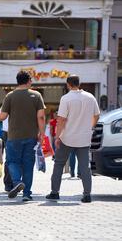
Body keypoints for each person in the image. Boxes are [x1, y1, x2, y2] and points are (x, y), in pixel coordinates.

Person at [46, 75, 100, 203]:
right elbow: (97, 115)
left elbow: (61, 120)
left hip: (67, 137)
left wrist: (57, 136)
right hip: (84, 137)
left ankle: (55, 192)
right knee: (85, 167)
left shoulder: (66, 98)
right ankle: (87, 195)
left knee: (59, 164)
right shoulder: (90, 97)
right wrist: (90, 127)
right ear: (79, 83)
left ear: (68, 84)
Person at [0, 70, 46, 201]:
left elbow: (3, 116)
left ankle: (17, 182)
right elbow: (41, 116)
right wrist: (42, 133)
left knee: (12, 161)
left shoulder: (10, 96)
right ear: (28, 81)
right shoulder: (37, 95)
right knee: (28, 164)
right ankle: (27, 194)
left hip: (14, 137)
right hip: (31, 137)